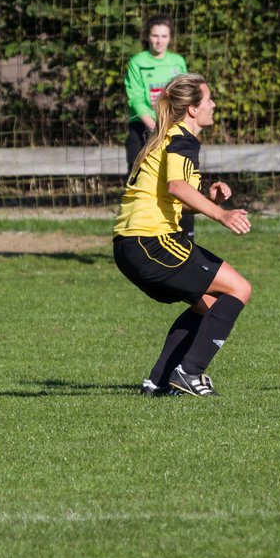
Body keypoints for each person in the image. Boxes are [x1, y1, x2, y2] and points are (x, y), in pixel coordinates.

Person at [113, 73, 251, 397]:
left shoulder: (170, 138)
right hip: (149, 242)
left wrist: (210, 198)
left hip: (134, 245)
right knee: (240, 288)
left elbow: (173, 196)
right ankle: (190, 373)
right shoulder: (182, 140)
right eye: (208, 99)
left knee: (210, 304)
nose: (214, 104)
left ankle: (158, 381)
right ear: (192, 109)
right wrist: (221, 214)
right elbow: (177, 187)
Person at [124, 13, 194, 238]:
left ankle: (185, 234)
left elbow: (184, 95)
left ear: (170, 38)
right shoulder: (138, 62)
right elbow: (135, 97)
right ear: (148, 36)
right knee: (140, 180)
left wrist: (176, 125)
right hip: (144, 129)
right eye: (155, 35)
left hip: (171, 129)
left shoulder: (177, 62)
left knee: (180, 179)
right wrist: (154, 125)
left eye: (164, 36)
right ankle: (136, 234)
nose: (159, 40)